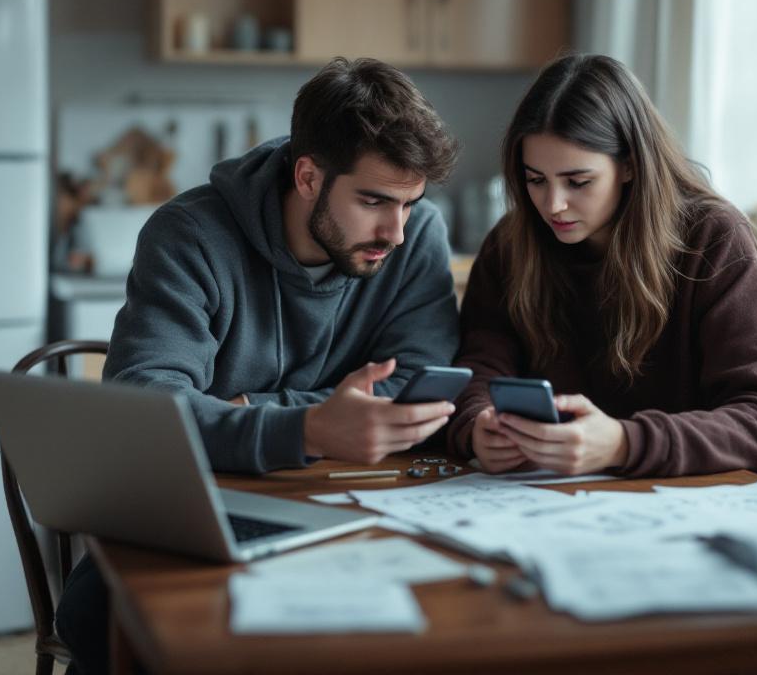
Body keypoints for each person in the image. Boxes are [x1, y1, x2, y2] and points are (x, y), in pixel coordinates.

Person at [57, 57, 461, 674]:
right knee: (100, 618)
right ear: (308, 177)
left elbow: (416, 389)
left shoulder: (419, 235)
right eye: (374, 201)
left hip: (354, 505)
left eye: (410, 203)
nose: (396, 232)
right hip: (203, 504)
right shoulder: (190, 235)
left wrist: (257, 412)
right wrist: (308, 428)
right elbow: (145, 406)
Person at [447, 54, 757, 477]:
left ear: (630, 164)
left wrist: (623, 443)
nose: (553, 205)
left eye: (578, 182)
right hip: (551, 497)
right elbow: (478, 370)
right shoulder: (510, 244)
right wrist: (477, 425)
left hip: (685, 499)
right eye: (535, 180)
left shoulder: (714, 239)